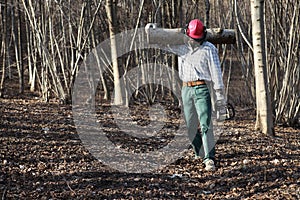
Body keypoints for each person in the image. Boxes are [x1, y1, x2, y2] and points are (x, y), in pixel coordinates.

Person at [178, 19, 226, 171]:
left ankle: (209, 158)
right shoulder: (181, 47)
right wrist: (150, 30)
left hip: (201, 88)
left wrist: (219, 96)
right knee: (189, 126)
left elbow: (216, 74)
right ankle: (200, 152)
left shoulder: (209, 49)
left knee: (205, 124)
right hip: (186, 88)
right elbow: (159, 43)